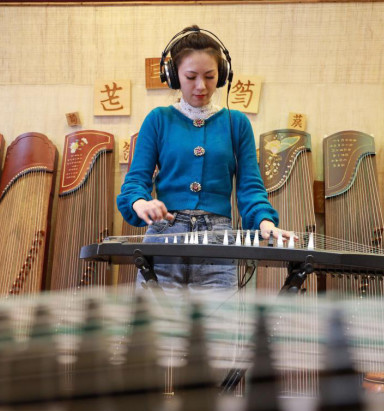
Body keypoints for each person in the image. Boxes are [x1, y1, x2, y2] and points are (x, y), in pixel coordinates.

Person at [117, 25, 291, 293]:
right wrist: (140, 202)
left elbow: (250, 187)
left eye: (210, 76)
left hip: (218, 240)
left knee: (216, 333)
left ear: (222, 76)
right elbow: (135, 181)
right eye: (191, 77)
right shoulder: (158, 120)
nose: (201, 86)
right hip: (165, 236)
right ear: (174, 77)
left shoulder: (237, 123)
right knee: (158, 333)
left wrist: (264, 222)